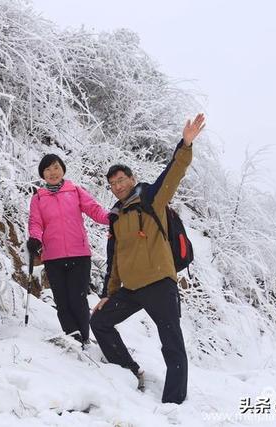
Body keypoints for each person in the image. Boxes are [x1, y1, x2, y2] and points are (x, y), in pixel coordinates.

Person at [90, 113, 205, 404]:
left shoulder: (152, 198)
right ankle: (129, 371)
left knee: (172, 344)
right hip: (131, 289)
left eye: (121, 179)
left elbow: (173, 172)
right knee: (100, 321)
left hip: (159, 283)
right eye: (112, 183)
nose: (117, 185)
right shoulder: (115, 217)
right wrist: (107, 293)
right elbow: (114, 260)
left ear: (132, 179)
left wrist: (186, 144)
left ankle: (173, 403)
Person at [27, 154, 110, 345]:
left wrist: (113, 217)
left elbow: (95, 210)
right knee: (62, 301)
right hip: (53, 257)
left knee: (78, 298)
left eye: (55, 167)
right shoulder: (38, 198)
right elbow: (36, 223)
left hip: (79, 255)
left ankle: (84, 338)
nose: (52, 172)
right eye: (47, 169)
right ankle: (73, 337)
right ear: (42, 174)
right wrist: (34, 239)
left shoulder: (75, 191)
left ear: (62, 169)